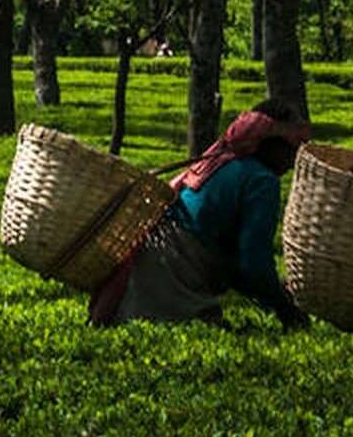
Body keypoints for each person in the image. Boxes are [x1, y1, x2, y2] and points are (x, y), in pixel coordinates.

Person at [91, 102, 312, 329]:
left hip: (143, 268)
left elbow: (237, 265)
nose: (293, 159)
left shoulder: (218, 161)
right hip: (172, 282)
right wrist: (286, 309)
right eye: (291, 148)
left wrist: (272, 294)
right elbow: (253, 262)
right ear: (271, 143)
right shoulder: (262, 180)